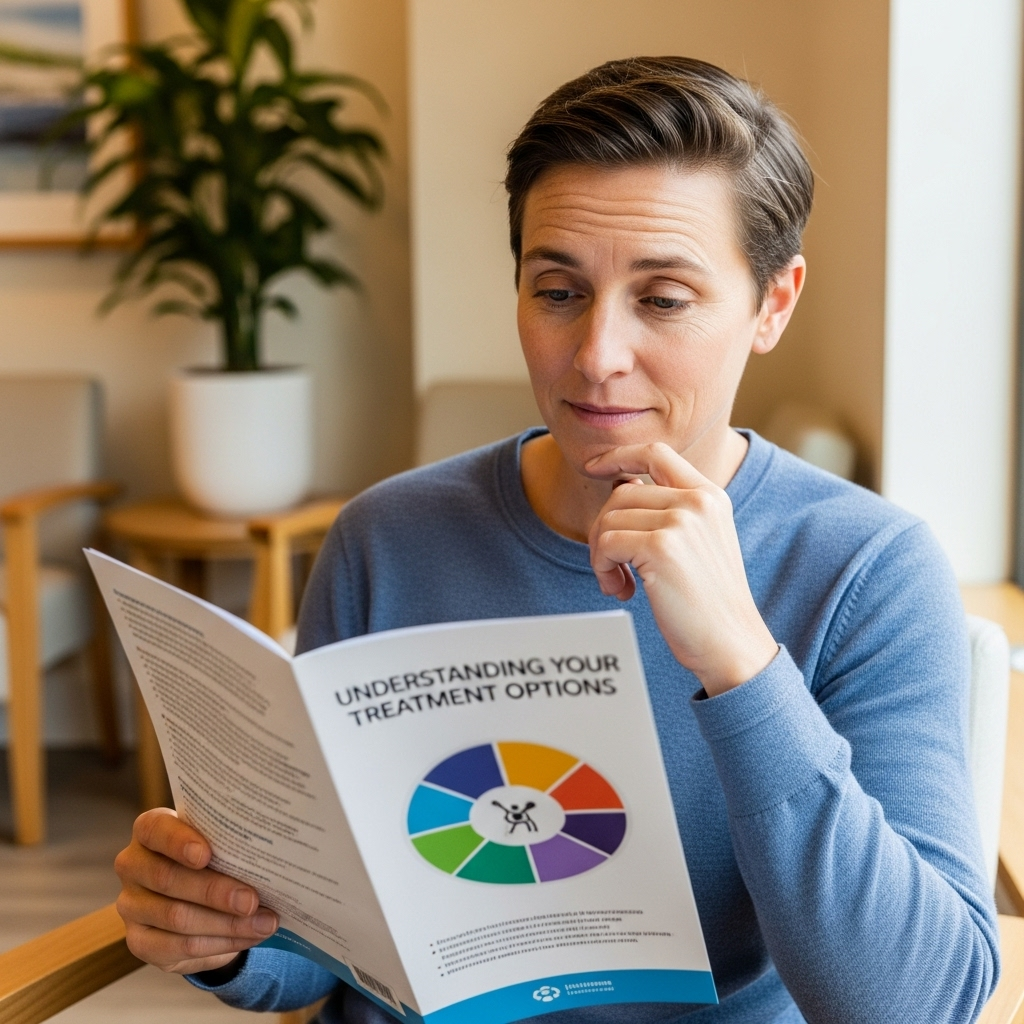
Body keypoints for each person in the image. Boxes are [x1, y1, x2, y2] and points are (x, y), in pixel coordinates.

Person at [112, 57, 999, 1023]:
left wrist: (741, 665)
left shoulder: (865, 568)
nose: (596, 357)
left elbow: (916, 1005)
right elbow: (320, 956)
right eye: (558, 290)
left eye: (663, 299)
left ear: (772, 305)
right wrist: (221, 929)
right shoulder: (384, 540)